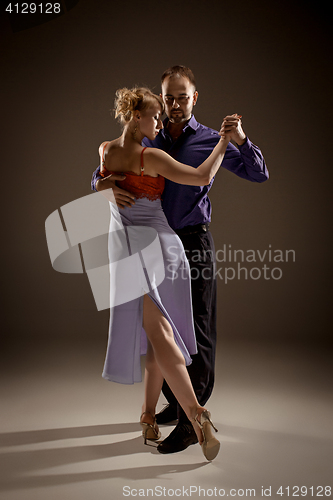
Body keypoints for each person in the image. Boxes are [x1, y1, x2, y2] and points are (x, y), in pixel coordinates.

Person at [91, 66, 269, 455]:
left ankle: (192, 420)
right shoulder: (150, 142)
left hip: (189, 240)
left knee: (195, 327)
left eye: (181, 97)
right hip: (146, 244)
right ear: (155, 100)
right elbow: (104, 175)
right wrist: (101, 186)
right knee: (162, 331)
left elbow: (259, 174)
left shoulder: (206, 139)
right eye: (167, 98)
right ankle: (171, 408)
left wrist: (235, 139)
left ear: (195, 97)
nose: (172, 105)